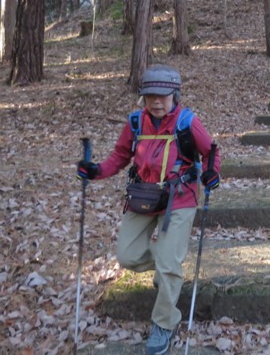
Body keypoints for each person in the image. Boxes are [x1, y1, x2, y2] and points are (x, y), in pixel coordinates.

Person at [76, 64, 221, 355]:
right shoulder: (135, 122)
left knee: (168, 266)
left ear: (175, 95)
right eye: (150, 95)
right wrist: (95, 171)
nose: (156, 101)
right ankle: (170, 263)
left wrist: (211, 173)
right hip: (143, 196)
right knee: (127, 255)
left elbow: (210, 153)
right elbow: (119, 156)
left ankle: (164, 323)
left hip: (179, 197)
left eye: (163, 96)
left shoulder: (187, 122)